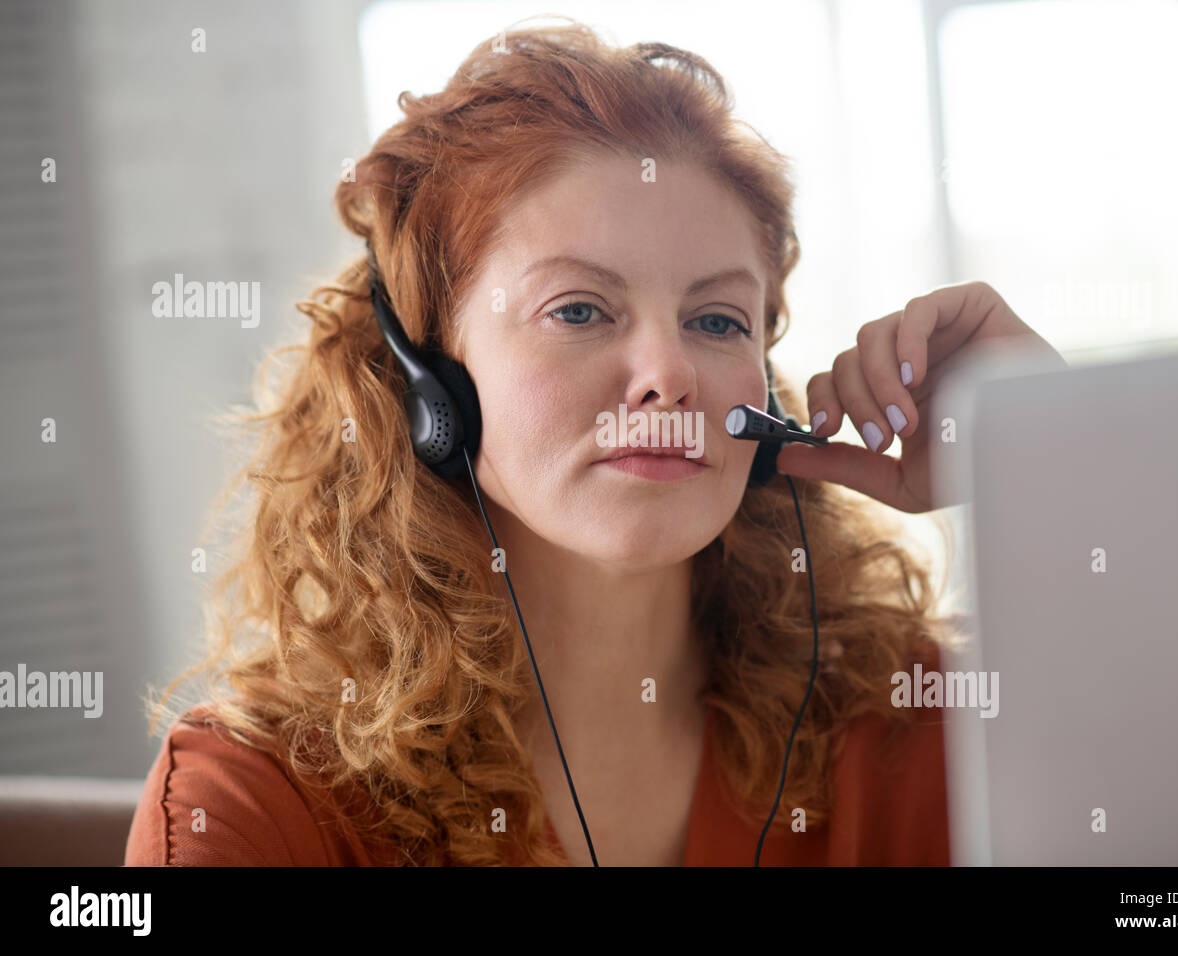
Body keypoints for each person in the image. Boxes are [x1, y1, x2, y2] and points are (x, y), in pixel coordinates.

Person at [125, 16, 1061, 867]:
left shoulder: (902, 718)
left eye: (718, 321)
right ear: (430, 384)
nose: (670, 372)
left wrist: (1062, 458)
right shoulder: (257, 800)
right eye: (578, 309)